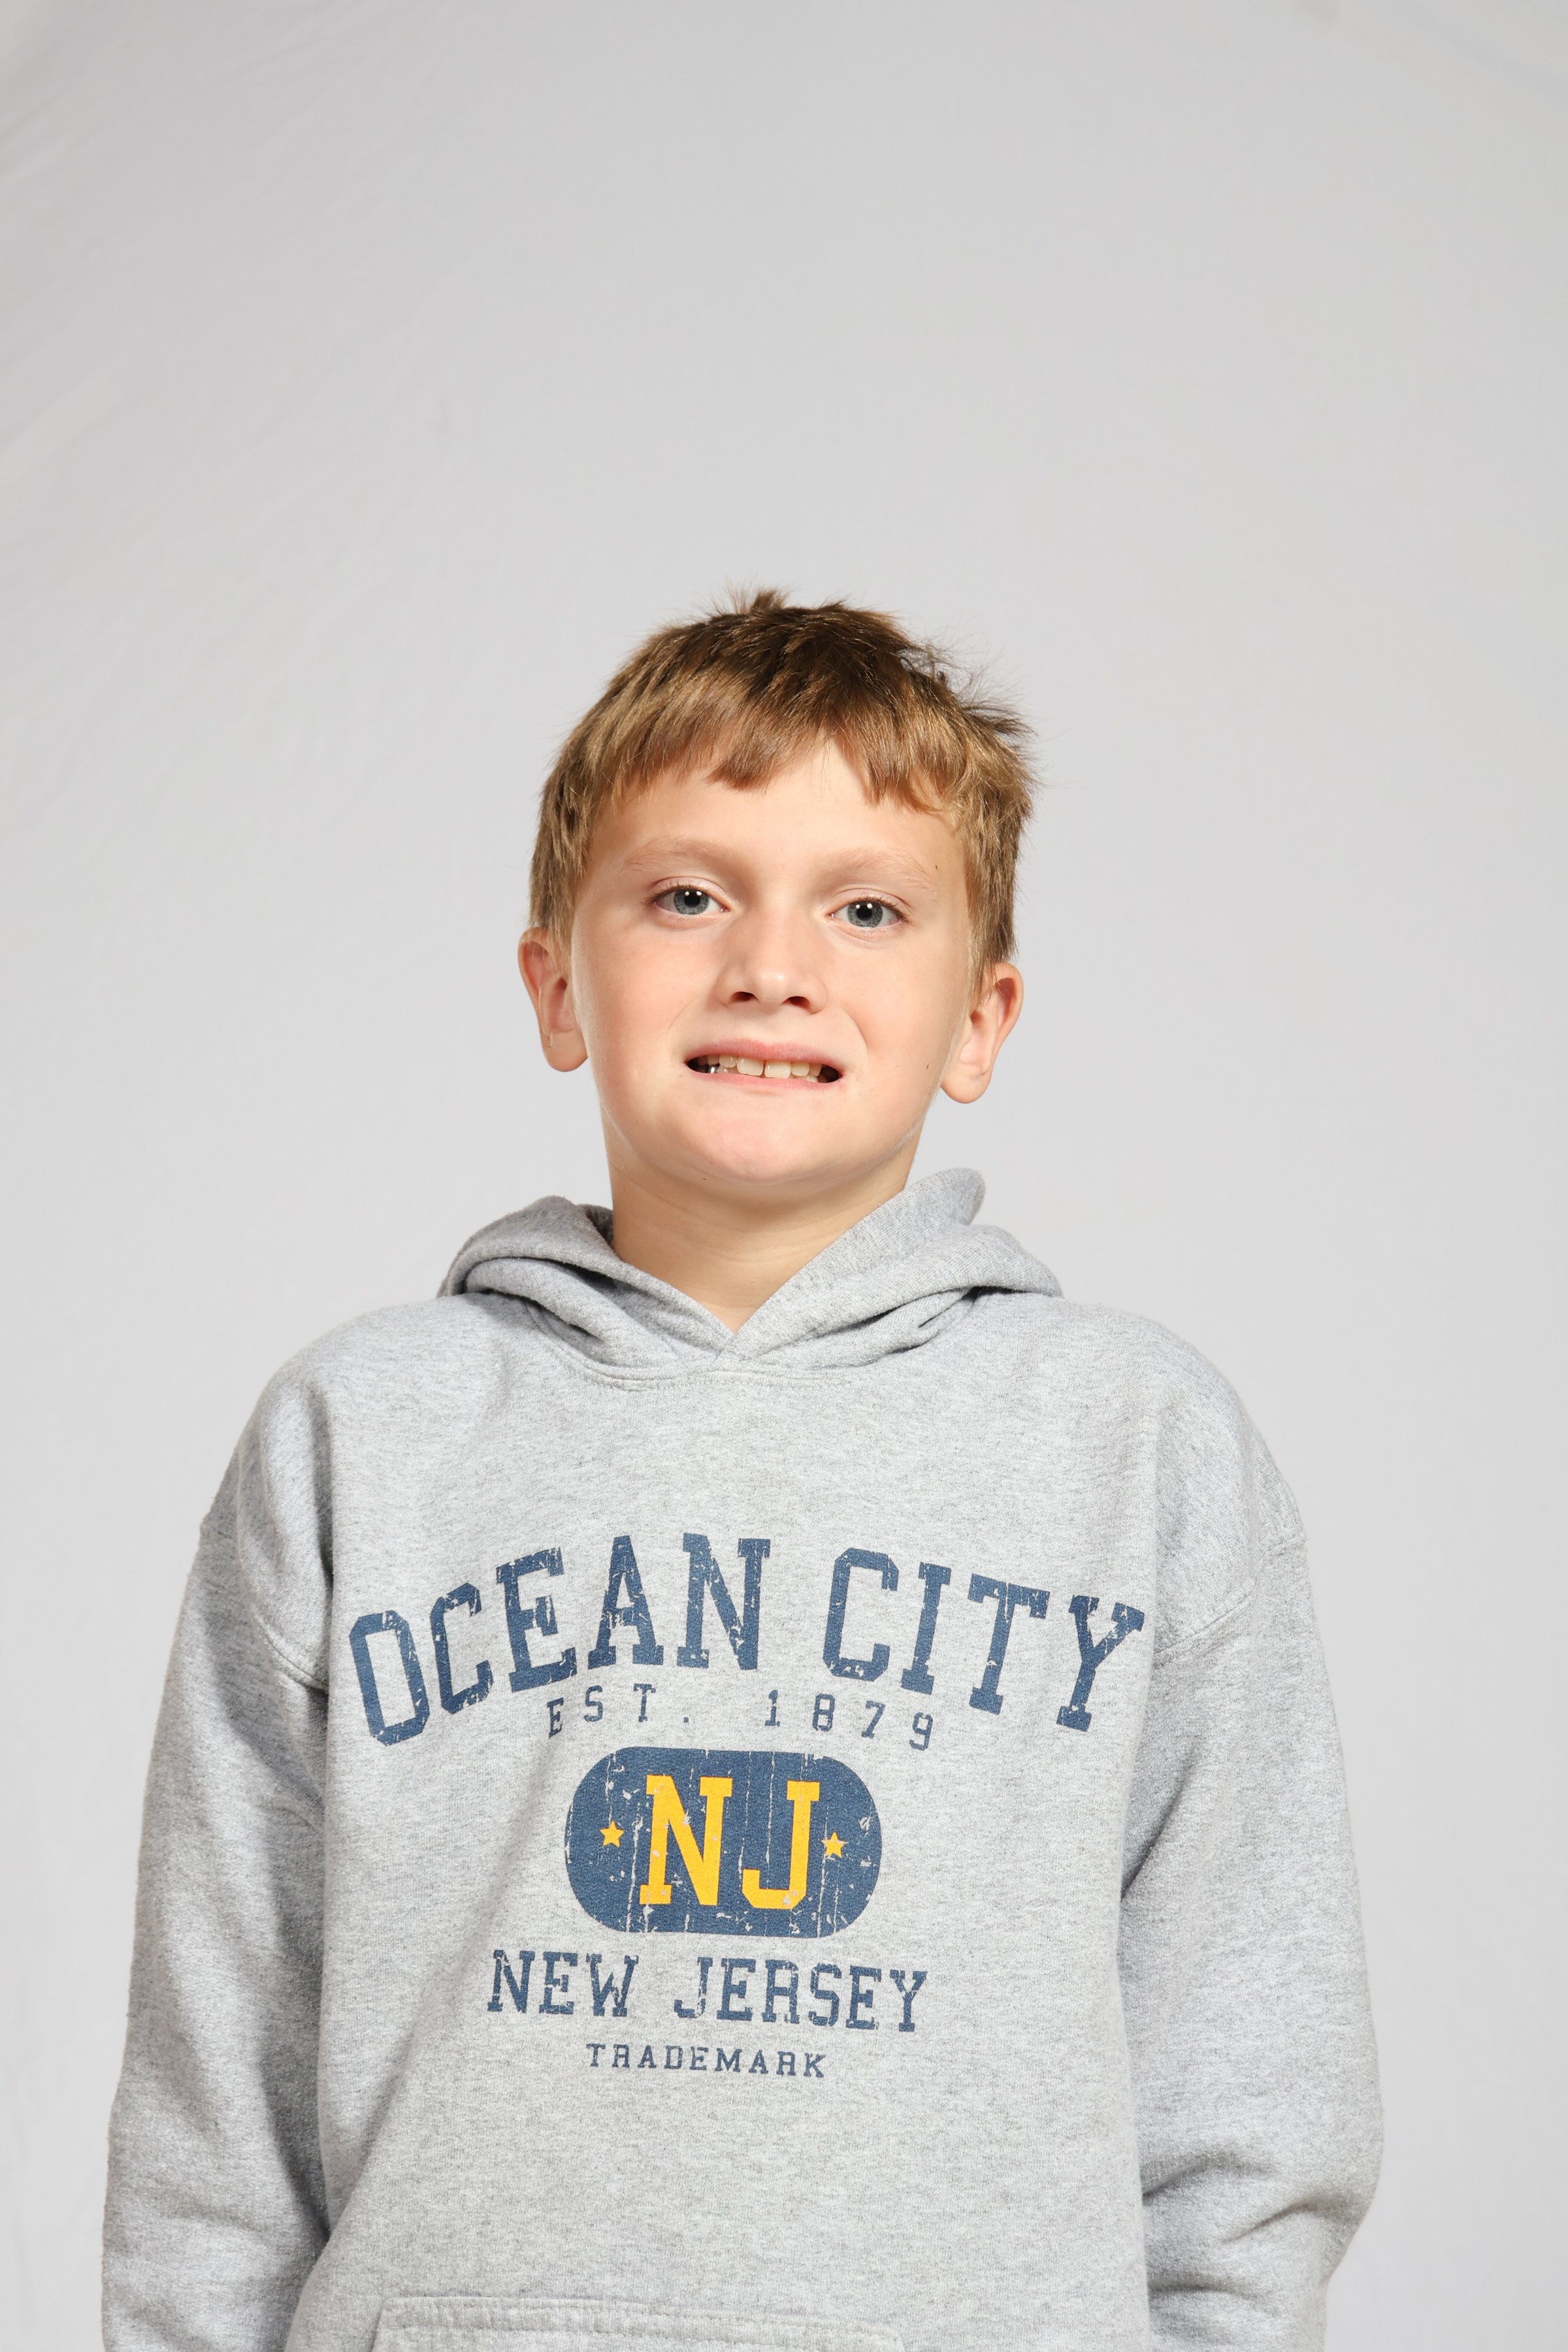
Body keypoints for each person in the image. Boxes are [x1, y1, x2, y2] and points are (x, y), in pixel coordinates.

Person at [103, 592, 1381, 2352]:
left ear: (982, 1018)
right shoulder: (361, 1435)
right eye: (688, 895)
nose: (772, 965)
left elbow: (1252, 2083)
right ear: (558, 983)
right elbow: (215, 2107)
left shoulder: (1139, 1446)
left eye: (867, 909)